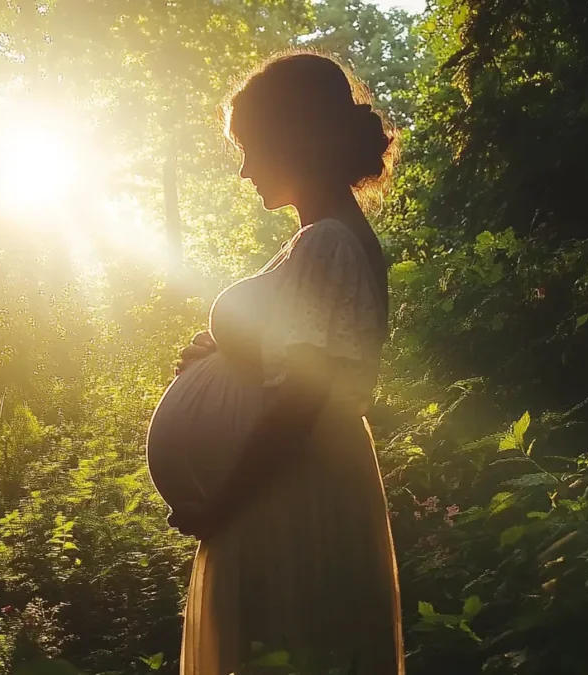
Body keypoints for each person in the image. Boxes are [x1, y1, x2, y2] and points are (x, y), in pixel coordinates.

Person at [167, 51, 403, 674]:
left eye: (249, 147)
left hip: (286, 494)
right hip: (286, 489)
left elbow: (300, 400)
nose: (243, 171)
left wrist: (223, 502)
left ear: (291, 140)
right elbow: (293, 357)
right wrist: (222, 355)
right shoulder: (319, 239)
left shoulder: (327, 241)